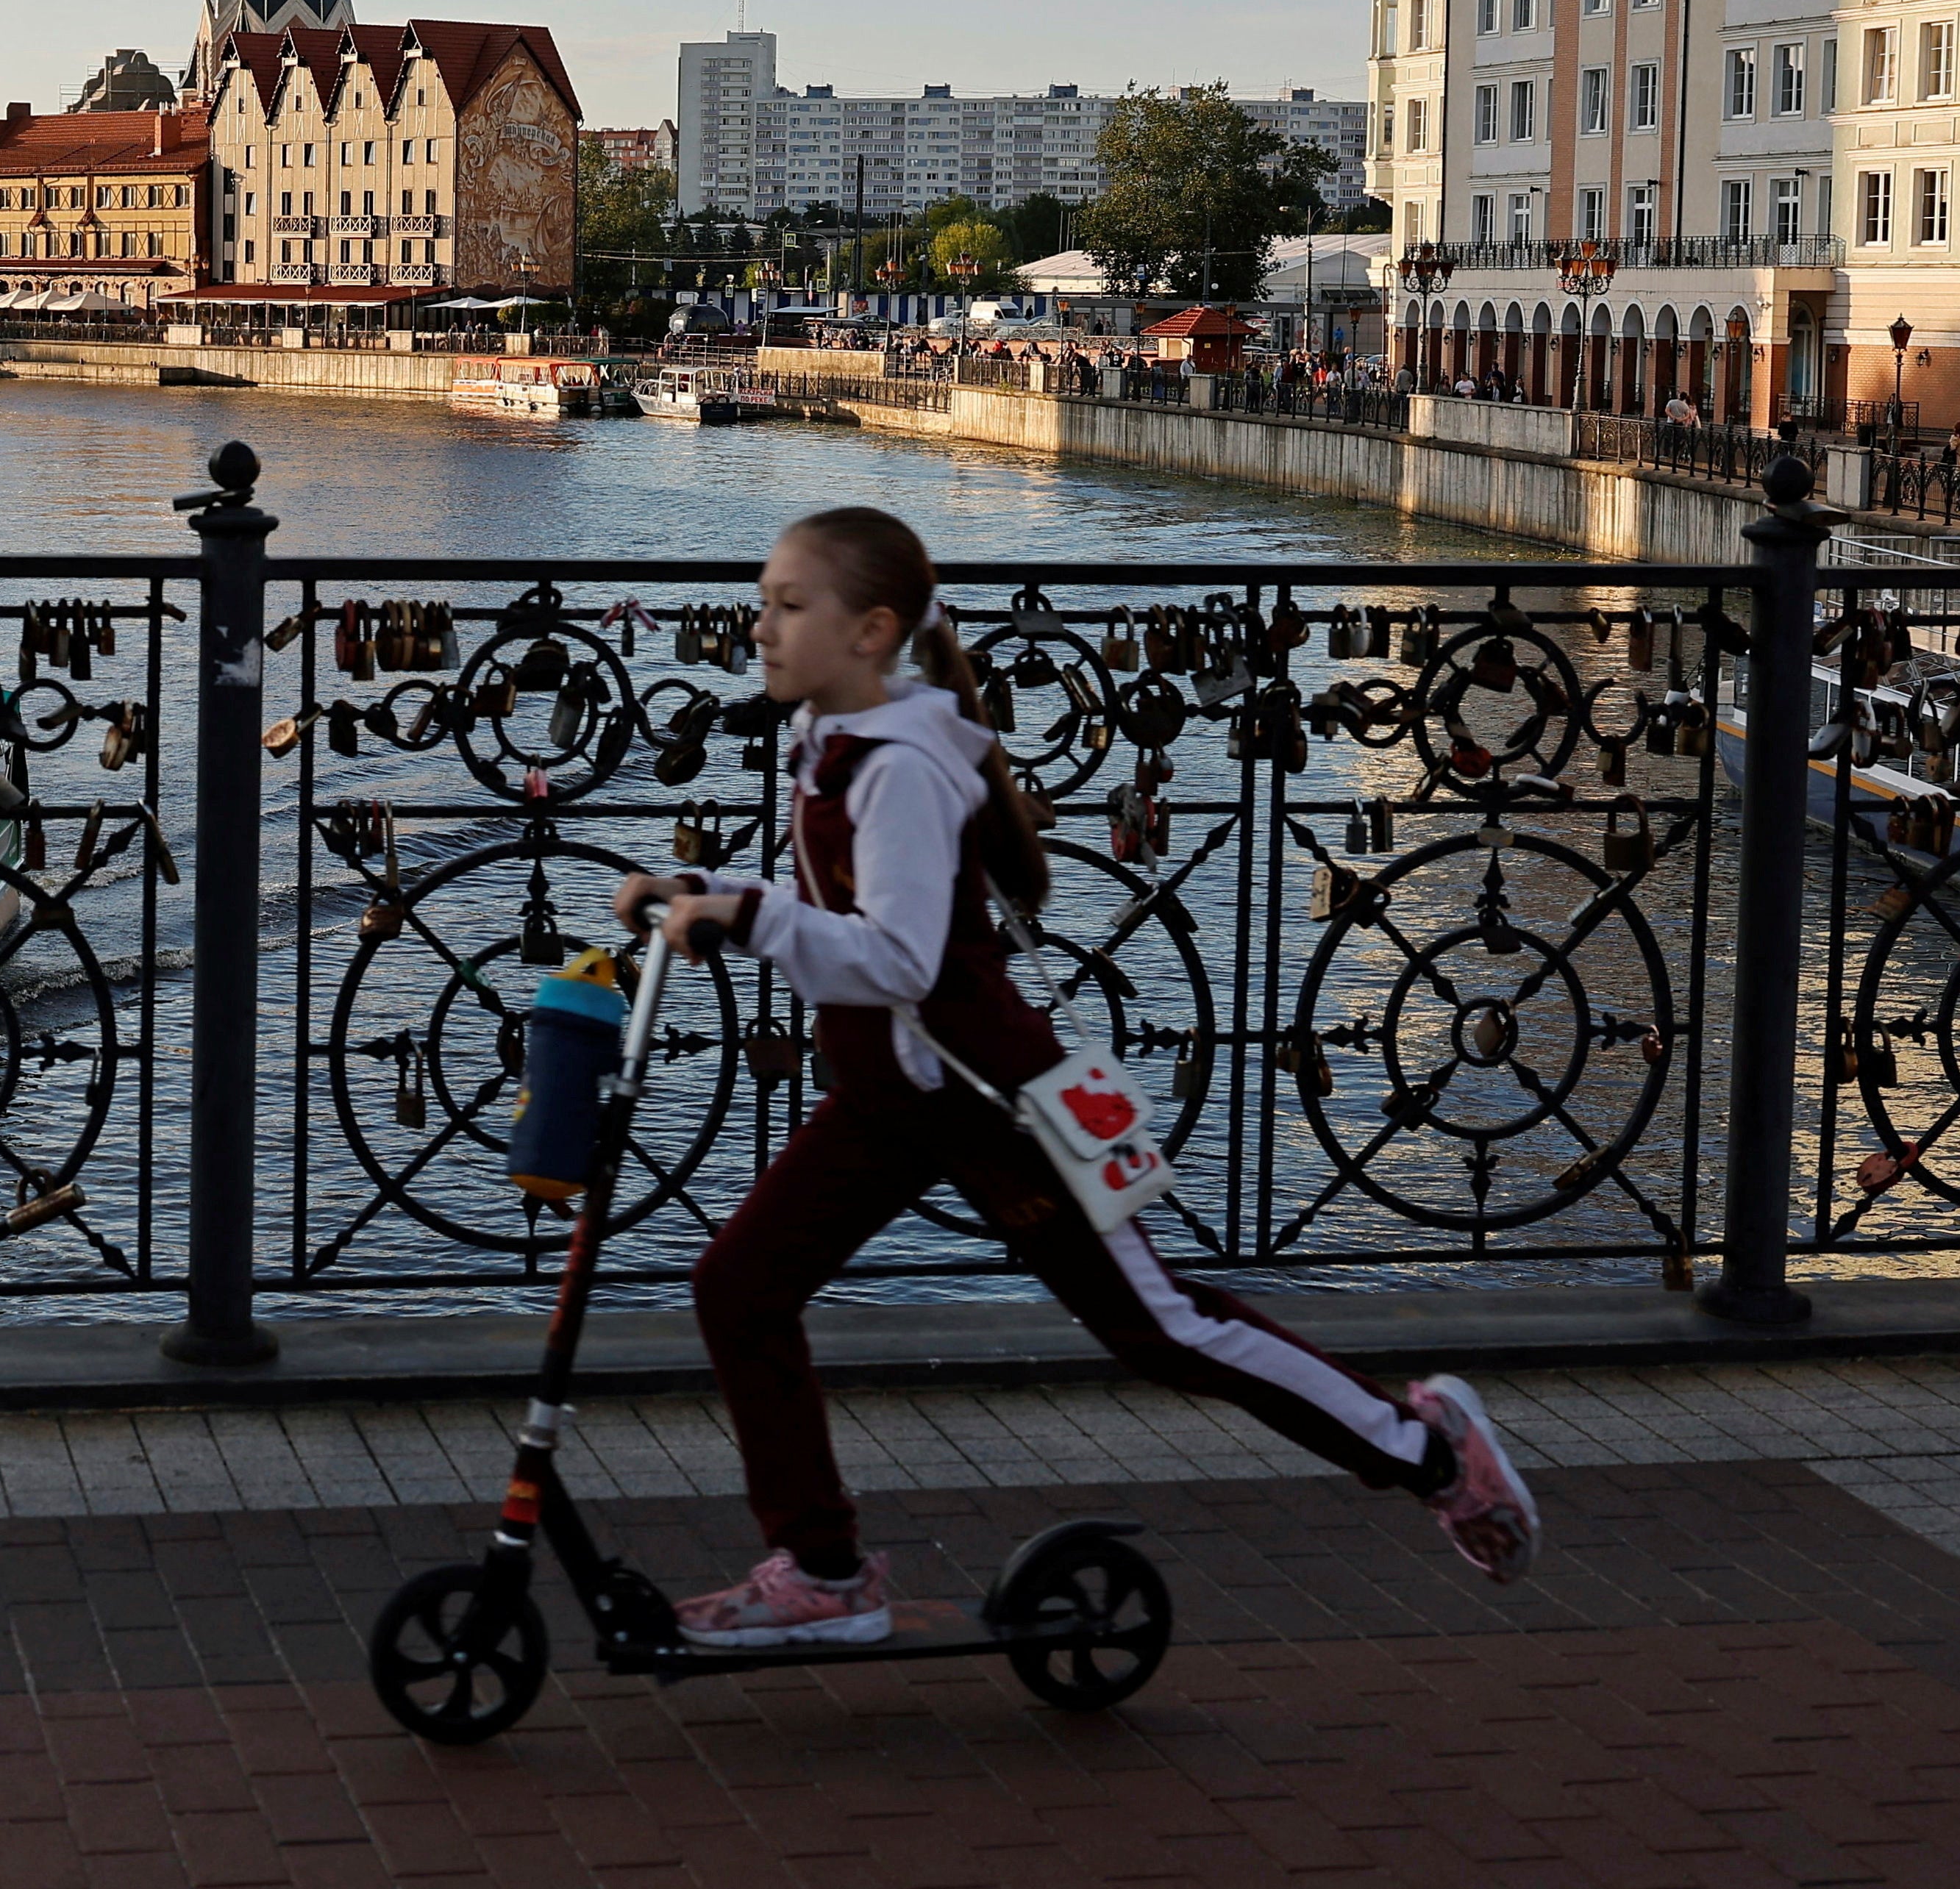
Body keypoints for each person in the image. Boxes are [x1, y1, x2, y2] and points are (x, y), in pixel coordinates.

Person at [615, 505, 1539, 1649]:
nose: (760, 627)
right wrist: (701, 888)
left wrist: (746, 916)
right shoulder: (839, 744)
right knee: (739, 1289)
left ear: (872, 631)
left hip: (1001, 1101)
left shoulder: (898, 768)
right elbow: (858, 919)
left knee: (1160, 1327)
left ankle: (1429, 1446)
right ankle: (822, 1569)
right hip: (901, 1097)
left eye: (789, 605)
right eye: (764, 601)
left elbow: (899, 958)